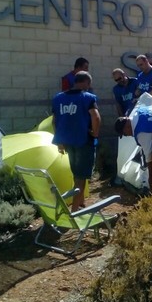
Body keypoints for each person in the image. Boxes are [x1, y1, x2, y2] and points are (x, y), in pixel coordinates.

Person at [52, 71, 100, 211]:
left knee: (76, 173)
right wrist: (95, 133)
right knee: (81, 177)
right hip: (83, 141)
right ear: (86, 82)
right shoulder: (88, 98)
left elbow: (54, 121)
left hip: (67, 141)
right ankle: (74, 210)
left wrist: (59, 141)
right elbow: (96, 117)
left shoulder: (58, 98)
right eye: (89, 84)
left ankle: (80, 201)